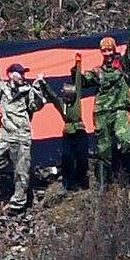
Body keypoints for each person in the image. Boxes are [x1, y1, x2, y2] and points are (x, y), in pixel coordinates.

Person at [0, 33, 51, 216]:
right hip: (5, 136)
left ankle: (17, 205)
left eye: (24, 73)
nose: (23, 76)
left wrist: (39, 87)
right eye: (20, 73)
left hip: (22, 137)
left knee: (21, 173)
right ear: (11, 74)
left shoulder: (28, 90)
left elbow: (36, 106)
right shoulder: (3, 90)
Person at [66, 27, 130, 189]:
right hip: (101, 112)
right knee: (103, 149)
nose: (107, 53)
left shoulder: (123, 65)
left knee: (124, 139)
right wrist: (76, 69)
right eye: (104, 51)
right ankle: (103, 184)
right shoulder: (98, 72)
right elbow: (82, 82)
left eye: (109, 50)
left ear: (114, 50)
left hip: (120, 109)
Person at [41, 54, 91, 191]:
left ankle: (79, 181)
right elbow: (52, 95)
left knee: (82, 159)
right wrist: (42, 82)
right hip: (68, 133)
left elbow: (79, 83)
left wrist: (79, 64)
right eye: (66, 94)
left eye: (71, 94)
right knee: (67, 158)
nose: (69, 97)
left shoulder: (77, 100)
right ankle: (66, 182)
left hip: (80, 131)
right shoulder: (61, 103)